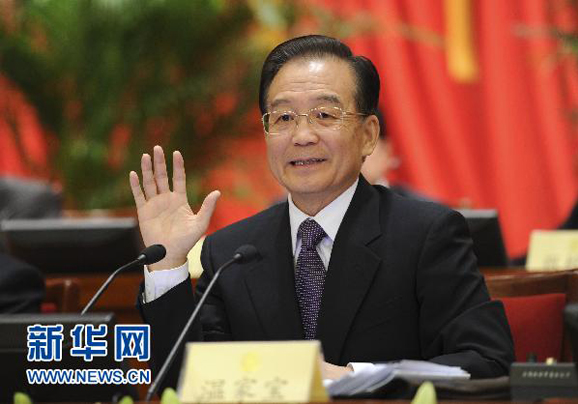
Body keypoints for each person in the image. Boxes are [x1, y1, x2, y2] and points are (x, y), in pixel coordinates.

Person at [131, 35, 514, 390]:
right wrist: (167, 267)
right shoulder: (232, 251)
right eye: (283, 118)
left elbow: (487, 361)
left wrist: (356, 378)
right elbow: (187, 383)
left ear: (368, 135)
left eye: (325, 115)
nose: (302, 136)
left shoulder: (425, 235)